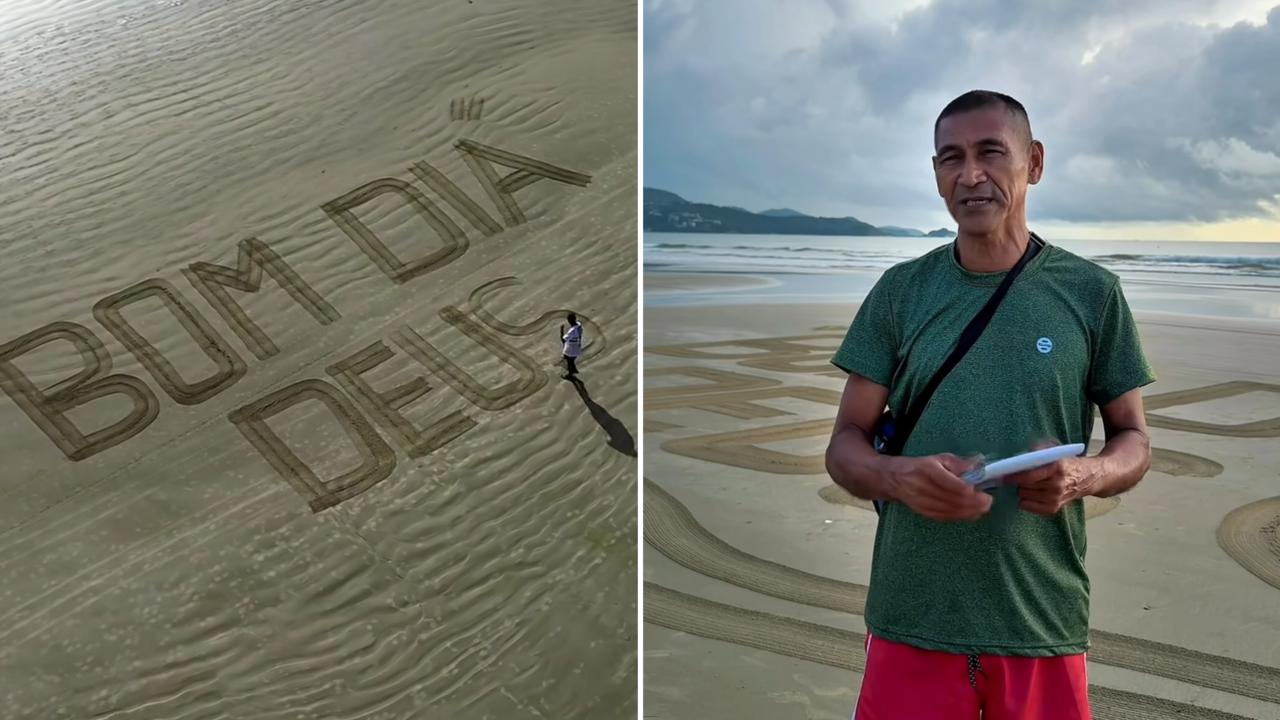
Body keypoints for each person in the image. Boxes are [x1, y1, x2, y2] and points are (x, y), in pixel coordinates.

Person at [825, 90, 1156, 720]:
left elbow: (1134, 441)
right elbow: (845, 443)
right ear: (936, 174)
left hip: (1040, 616)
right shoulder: (901, 291)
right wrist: (898, 477)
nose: (970, 174)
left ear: (1033, 162)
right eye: (952, 158)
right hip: (911, 615)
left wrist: (1083, 475)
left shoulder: (1092, 293)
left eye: (990, 153)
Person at [561, 312, 584, 377]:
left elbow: (564, 339)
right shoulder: (579, 326)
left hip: (571, 347)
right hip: (577, 345)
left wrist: (561, 331)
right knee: (571, 359)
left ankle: (570, 374)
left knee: (569, 360)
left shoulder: (572, 331)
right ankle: (574, 370)